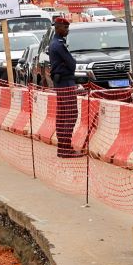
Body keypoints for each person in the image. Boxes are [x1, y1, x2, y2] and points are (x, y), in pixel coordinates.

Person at [47, 16, 82, 158]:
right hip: (65, 83)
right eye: (65, 27)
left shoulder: (55, 43)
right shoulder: (58, 44)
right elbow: (72, 64)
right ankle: (65, 148)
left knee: (63, 115)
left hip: (60, 83)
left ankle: (62, 148)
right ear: (58, 27)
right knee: (70, 114)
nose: (67, 30)